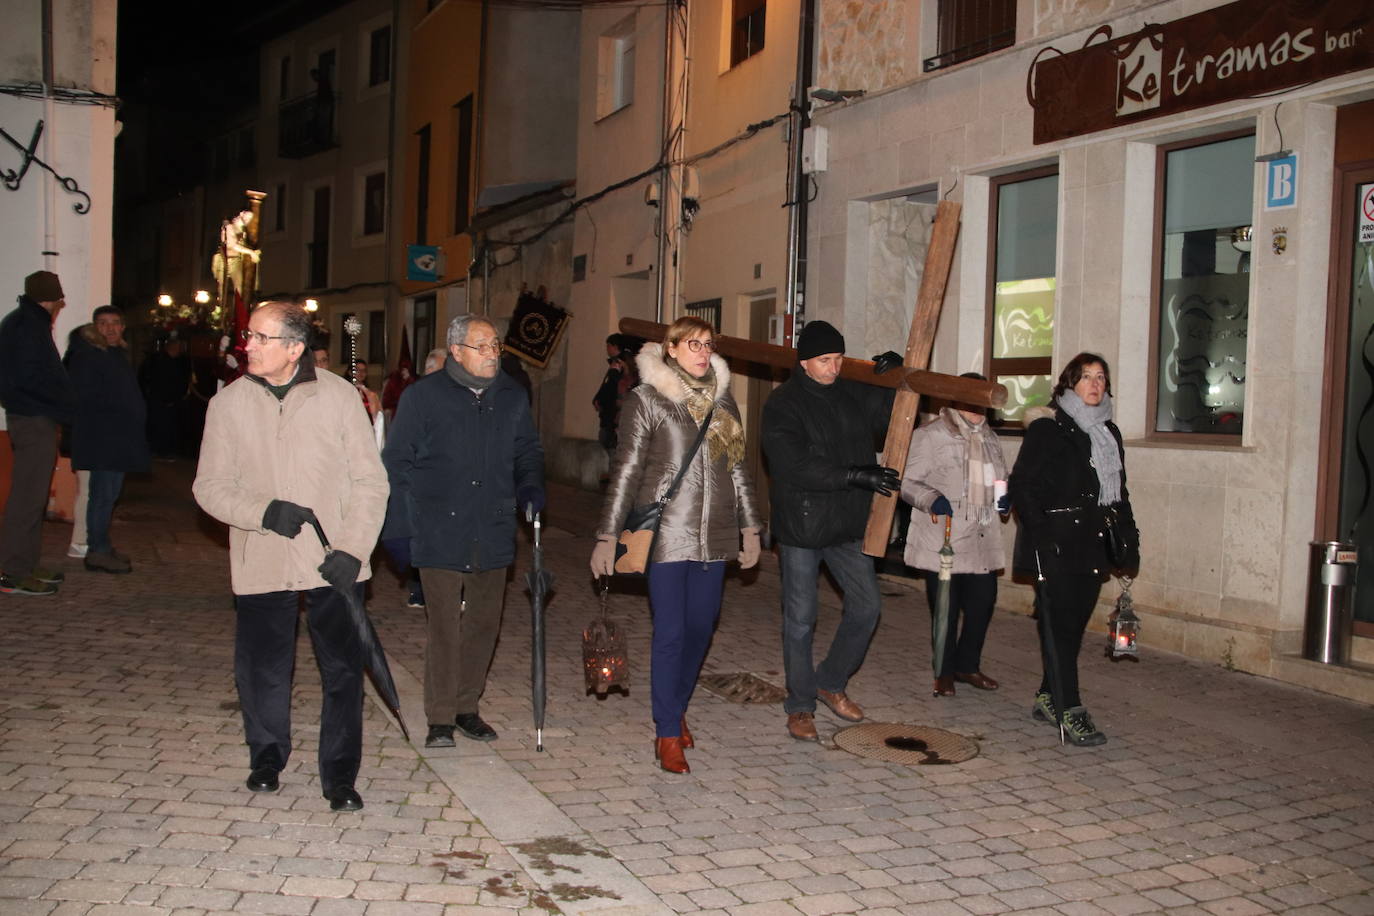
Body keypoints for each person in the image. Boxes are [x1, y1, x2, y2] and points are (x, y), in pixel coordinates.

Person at [193, 301, 389, 811]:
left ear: (295, 348)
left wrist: (353, 549)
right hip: (262, 555)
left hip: (334, 559)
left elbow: (371, 481)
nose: (248, 346)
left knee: (343, 671)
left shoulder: (342, 398)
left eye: (260, 338)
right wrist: (262, 511)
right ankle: (266, 755)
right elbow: (208, 488)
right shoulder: (228, 404)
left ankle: (340, 775)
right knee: (262, 667)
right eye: (249, 337)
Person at [590, 317, 761, 774]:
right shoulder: (646, 400)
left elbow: (738, 469)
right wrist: (607, 535)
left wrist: (750, 528)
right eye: (693, 345)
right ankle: (666, 731)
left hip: (717, 535)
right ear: (670, 349)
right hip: (665, 535)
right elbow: (626, 471)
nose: (703, 353)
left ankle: (678, 705)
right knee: (669, 633)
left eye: (708, 345)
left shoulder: (724, 403)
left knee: (700, 630)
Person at [382, 315, 545, 749]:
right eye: (482, 346)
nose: (493, 353)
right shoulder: (423, 398)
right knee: (444, 627)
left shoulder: (511, 396)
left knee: (483, 624)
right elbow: (396, 463)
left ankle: (466, 707)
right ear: (456, 351)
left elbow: (527, 449)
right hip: (438, 527)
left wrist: (530, 485)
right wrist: (399, 529)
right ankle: (439, 717)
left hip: (492, 526)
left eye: (495, 345)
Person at [761, 320, 901, 742]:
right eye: (825, 360)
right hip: (802, 525)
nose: (834, 367)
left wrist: (891, 381)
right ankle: (800, 706)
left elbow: (884, 421)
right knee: (801, 620)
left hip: (845, 524)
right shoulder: (782, 404)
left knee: (866, 608)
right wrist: (855, 474)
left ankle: (830, 680)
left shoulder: (849, 393)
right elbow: (793, 464)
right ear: (805, 361)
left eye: (839, 358)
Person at [1010, 352, 1138, 748]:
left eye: (1101, 377)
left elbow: (1119, 494)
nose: (1095, 385)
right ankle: (1071, 708)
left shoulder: (1108, 433)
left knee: (1071, 632)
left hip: (1094, 547)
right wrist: (1043, 538)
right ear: (1068, 385)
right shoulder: (1048, 429)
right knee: (1059, 629)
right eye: (1086, 377)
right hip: (1058, 546)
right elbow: (1022, 487)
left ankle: (1049, 697)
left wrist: (1130, 541)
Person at [900, 373, 1009, 698]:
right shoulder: (932, 435)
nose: (978, 408)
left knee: (982, 604)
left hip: (980, 538)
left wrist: (1006, 496)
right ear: (957, 399)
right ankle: (943, 672)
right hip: (943, 539)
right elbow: (906, 481)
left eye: (983, 400)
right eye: (972, 399)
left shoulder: (989, 437)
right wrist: (932, 498)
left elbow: (1000, 476)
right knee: (945, 609)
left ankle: (967, 665)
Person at [0, 270, 75, 596]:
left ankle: (25, 565)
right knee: (27, 499)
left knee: (32, 497)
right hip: (33, 418)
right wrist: (63, 403)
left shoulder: (24, 322)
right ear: (54, 299)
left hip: (32, 416)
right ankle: (13, 572)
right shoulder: (28, 326)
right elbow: (32, 378)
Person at [63, 306, 151, 574]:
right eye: (103, 323)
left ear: (123, 327)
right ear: (94, 327)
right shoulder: (90, 356)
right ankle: (97, 550)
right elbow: (85, 399)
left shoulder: (112, 354)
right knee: (101, 497)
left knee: (108, 496)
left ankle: (101, 545)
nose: (110, 328)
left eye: (115, 323)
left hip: (116, 438)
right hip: (104, 439)